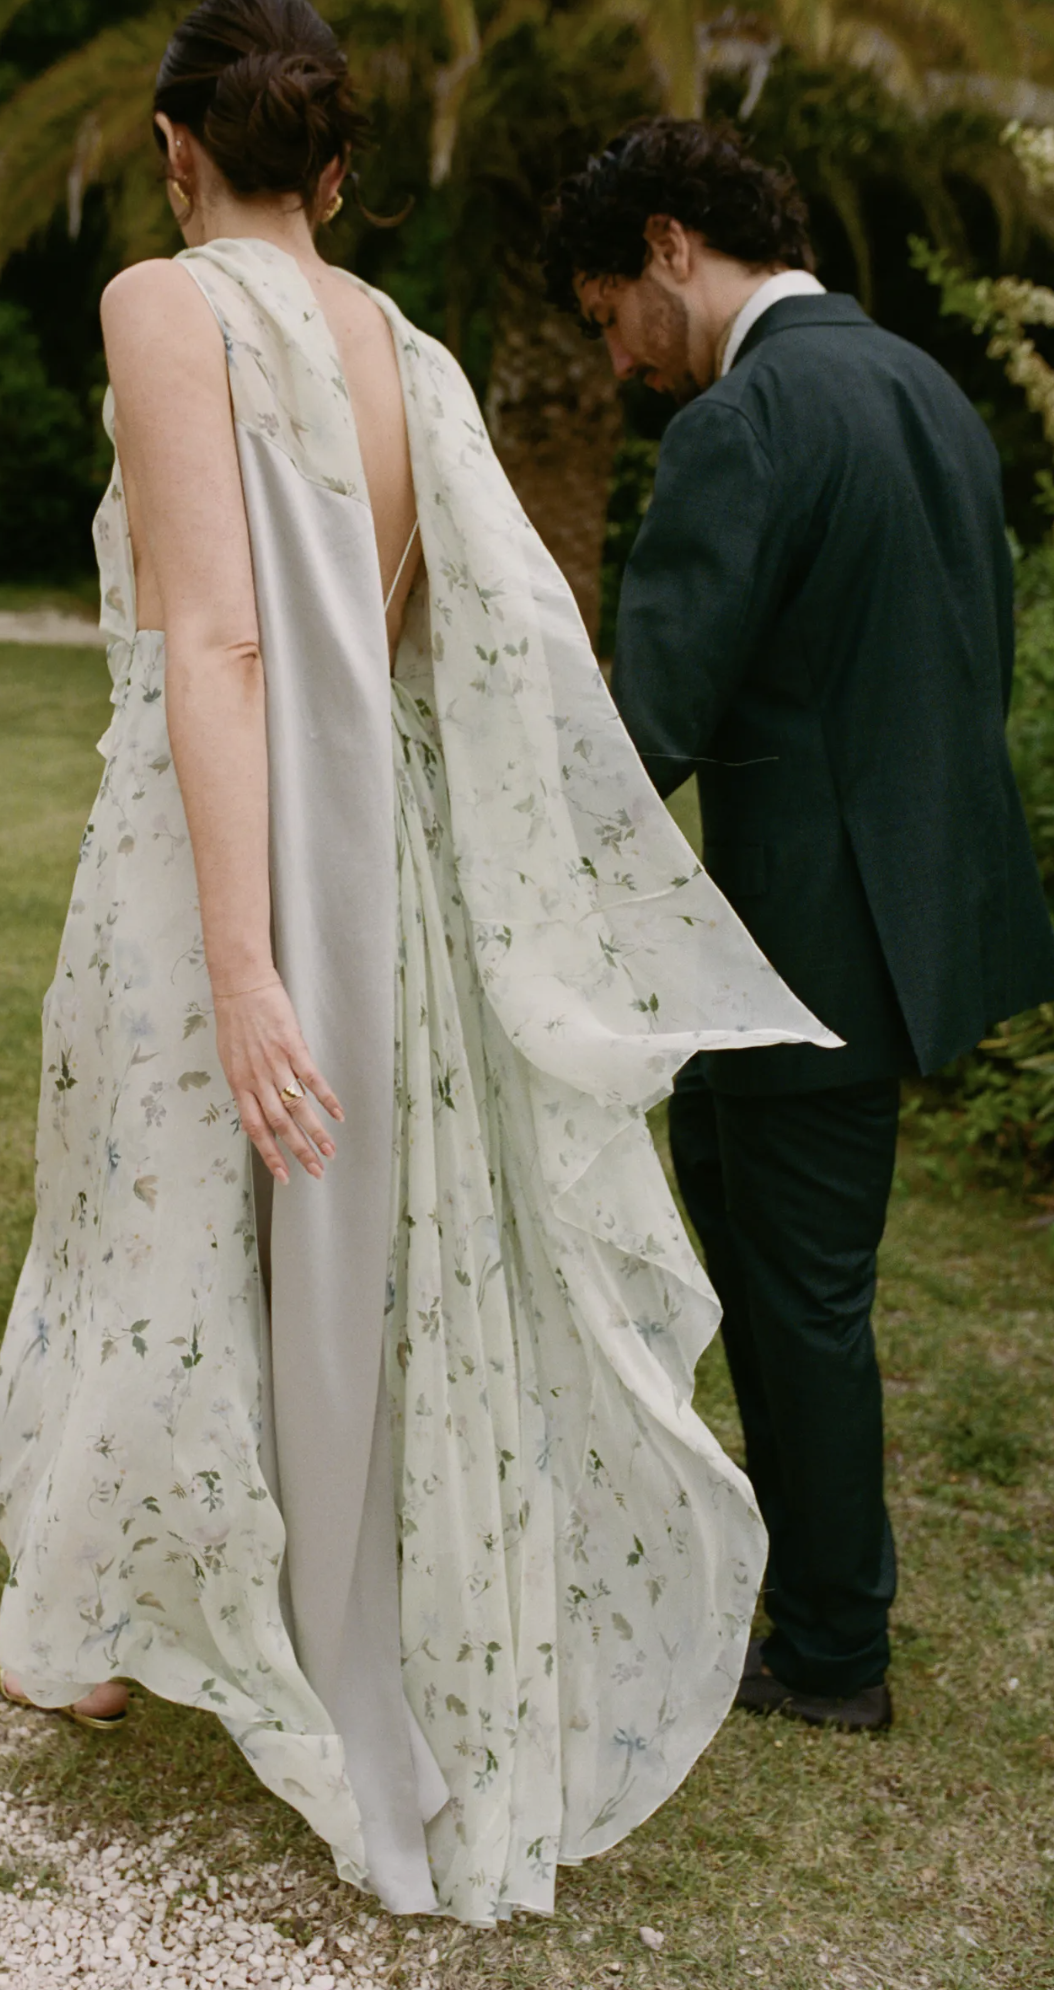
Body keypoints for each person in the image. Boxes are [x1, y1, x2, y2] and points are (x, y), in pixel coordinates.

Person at [0, 12, 833, 1922]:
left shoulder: (160, 303)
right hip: (379, 848)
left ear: (173, 145)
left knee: (151, 1216)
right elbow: (461, 644)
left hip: (217, 848)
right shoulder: (403, 349)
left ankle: (101, 1630)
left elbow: (219, 645)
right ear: (340, 173)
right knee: (345, 1245)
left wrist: (241, 962)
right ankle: (231, 1598)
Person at [542, 118, 1054, 1734]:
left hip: (793, 955)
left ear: (671, 246)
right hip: (903, 927)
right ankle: (806, 1591)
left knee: (799, 1301)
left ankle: (833, 1651)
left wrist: (498, 810)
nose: (620, 360)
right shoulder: (926, 389)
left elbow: (649, 730)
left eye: (610, 314)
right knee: (783, 1269)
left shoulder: (741, 421)